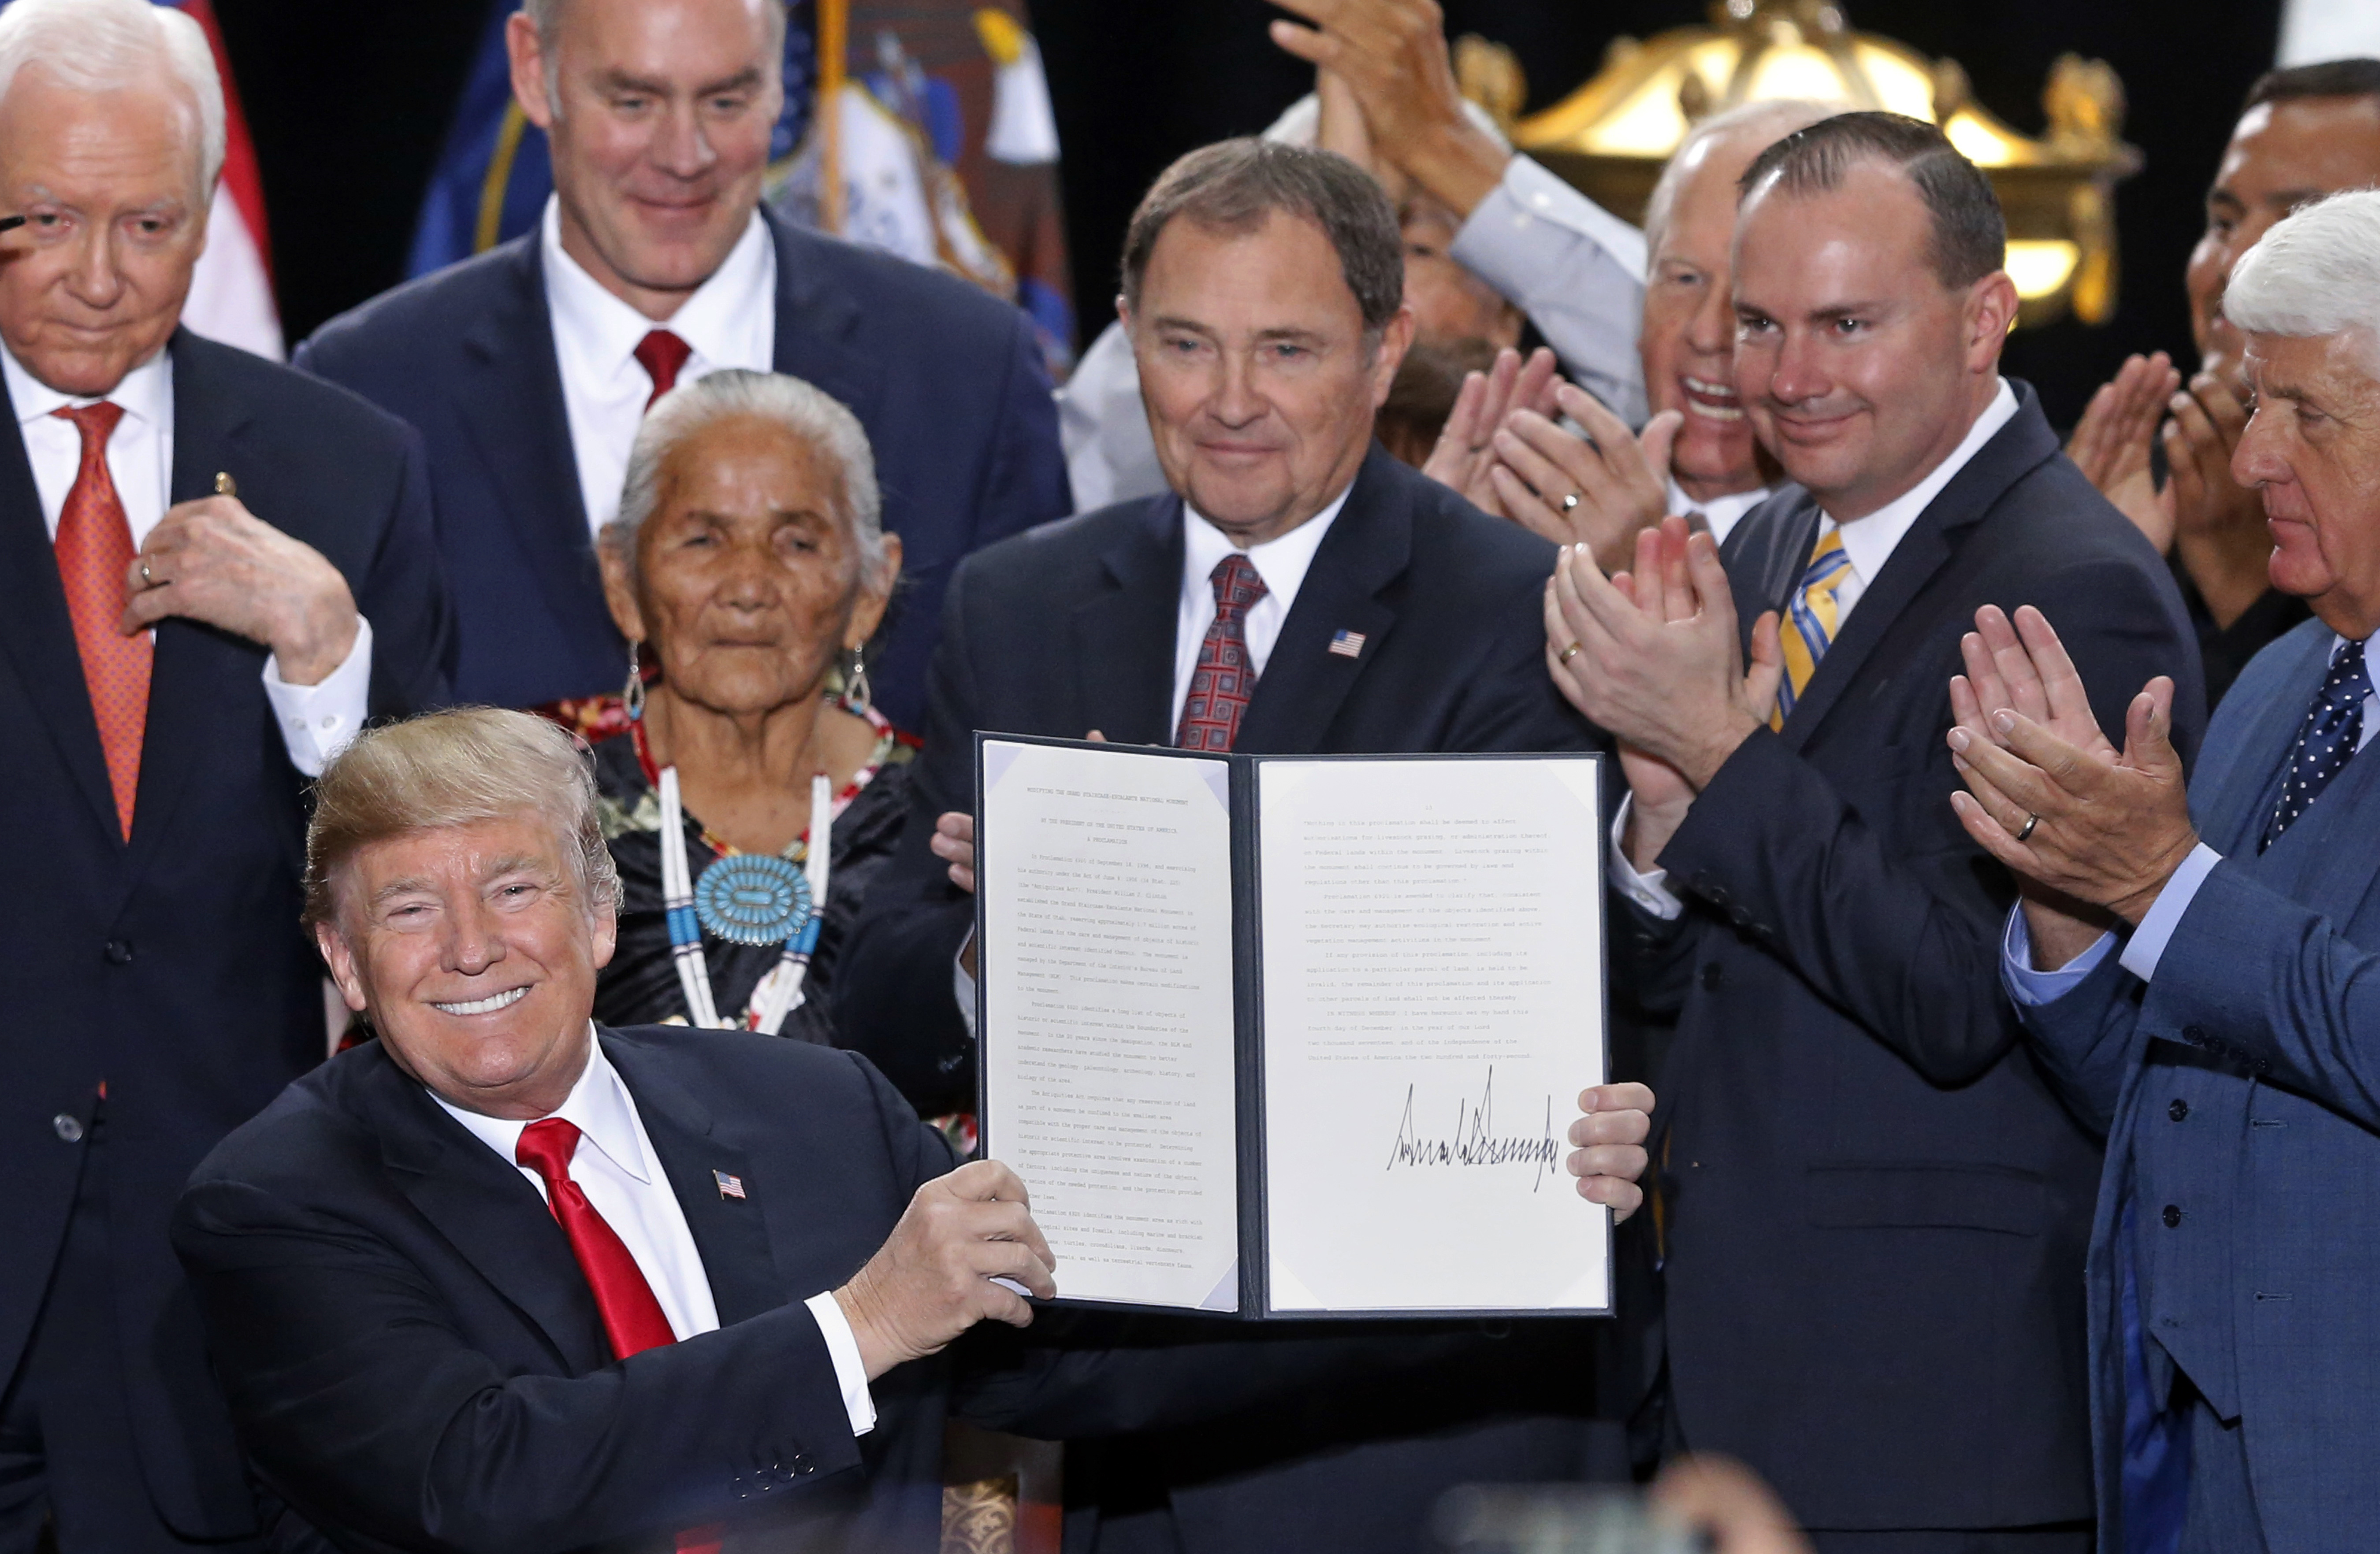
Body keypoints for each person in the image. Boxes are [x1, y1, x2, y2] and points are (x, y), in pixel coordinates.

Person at [171, 707, 1657, 1554]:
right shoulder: (276, 1198)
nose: (473, 943)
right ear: (345, 964)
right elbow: (483, 1477)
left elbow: (1086, 1355)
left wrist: (1503, 1218)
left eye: (513, 886)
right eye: (409, 908)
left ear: (599, 908)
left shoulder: (808, 1104)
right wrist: (860, 1322)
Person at [841, 138, 1631, 1554]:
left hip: (1409, 1442)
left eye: (1288, 348)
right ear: (1127, 340)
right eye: (1186, 342)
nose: (1231, 401)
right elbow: (882, 1004)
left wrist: (1137, 910)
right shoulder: (1014, 606)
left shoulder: (1516, 612)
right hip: (1092, 1437)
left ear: (1388, 350)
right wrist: (997, 938)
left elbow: (1554, 1006)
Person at [1546, 113, 2205, 1550]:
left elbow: (1969, 995)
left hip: (1934, 1423)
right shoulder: (1773, 542)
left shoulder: (2076, 587)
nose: (1787, 374)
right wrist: (1656, 829)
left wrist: (1717, 755)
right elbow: (1701, 988)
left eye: (1846, 322)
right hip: (1726, 1381)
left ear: (1985, 320)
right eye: (1761, 320)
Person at [0, 0, 452, 1547]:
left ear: (210, 218)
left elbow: (442, 871)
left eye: (147, 221)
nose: (98, 272)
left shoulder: (348, 463)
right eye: (44, 218)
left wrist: (327, 658)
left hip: (225, 1250)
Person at [1954, 189, 2380, 1554]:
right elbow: (2170, 1081)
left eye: (2304, 411)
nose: (2252, 456)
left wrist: (2164, 881)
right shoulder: (2272, 683)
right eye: (2252, 401)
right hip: (2182, 1464)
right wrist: (2071, 899)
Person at [295, 0, 1067, 731]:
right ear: (535, 71)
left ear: (777, 87)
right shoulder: (366, 387)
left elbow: (1024, 742)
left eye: (726, 102)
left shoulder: (970, 372)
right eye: (634, 102)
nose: (684, 156)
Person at [1059, 0, 1651, 512]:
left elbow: (1684, 353)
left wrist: (1444, 146)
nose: (1362, 285)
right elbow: (1098, 443)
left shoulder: (1583, 483)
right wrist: (1323, 169)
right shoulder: (1216, 445)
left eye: (1413, 248)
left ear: (1508, 315)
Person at [588, 368, 912, 1044]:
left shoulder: (944, 825)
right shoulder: (545, 812)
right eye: (703, 539)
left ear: (870, 589)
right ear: (623, 578)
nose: (747, 586)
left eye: (796, 541)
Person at [2065, 59, 2380, 704]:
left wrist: (2245, 591)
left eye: (2298, 223)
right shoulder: (2106, 484)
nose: (2235, 266)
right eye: (2224, 222)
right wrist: (2079, 579)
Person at [1424, 99, 1838, 573]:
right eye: (1684, 279)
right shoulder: (1520, 497)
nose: (1708, 333)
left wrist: (1625, 577)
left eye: (1755, 299)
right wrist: (1441, 569)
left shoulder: (1866, 545)